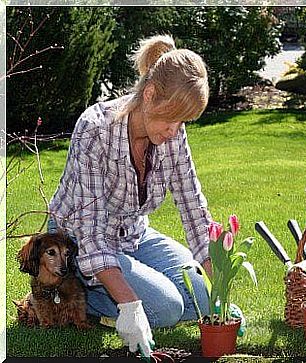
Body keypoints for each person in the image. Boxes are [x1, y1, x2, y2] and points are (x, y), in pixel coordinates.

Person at [48, 34, 213, 357]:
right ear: (149, 95)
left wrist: (219, 288)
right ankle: (67, 290)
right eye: (171, 119)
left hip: (132, 235)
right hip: (78, 241)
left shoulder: (173, 133)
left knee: (202, 300)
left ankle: (127, 284)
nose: (175, 131)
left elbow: (193, 206)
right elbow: (90, 235)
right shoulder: (95, 129)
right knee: (166, 309)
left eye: (183, 122)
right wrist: (129, 305)